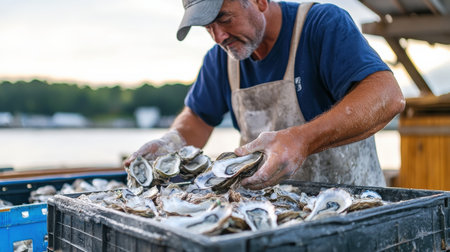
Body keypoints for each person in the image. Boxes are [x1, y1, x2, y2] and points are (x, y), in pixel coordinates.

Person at [124, 0, 405, 190]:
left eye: (223, 17)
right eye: (207, 26)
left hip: (353, 210)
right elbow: (196, 119)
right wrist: (170, 142)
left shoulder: (321, 25)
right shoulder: (219, 61)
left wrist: (301, 140)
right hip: (271, 222)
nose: (219, 36)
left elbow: (388, 96)